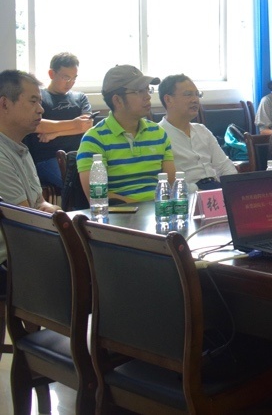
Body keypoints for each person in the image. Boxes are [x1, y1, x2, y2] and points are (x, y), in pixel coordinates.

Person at [77, 65, 175, 203]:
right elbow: (98, 197)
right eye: (139, 91)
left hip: (160, 210)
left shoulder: (158, 133)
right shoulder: (94, 139)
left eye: (147, 90)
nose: (147, 96)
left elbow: (170, 186)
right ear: (117, 100)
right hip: (122, 214)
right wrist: (143, 209)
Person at [0, 70, 62, 269]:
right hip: (11, 263)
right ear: (4, 104)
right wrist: (53, 214)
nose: (41, 110)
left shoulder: (20, 148)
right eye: (33, 101)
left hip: (29, 249)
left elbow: (40, 203)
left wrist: (55, 210)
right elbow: (25, 221)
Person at [24, 52, 93, 190]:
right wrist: (74, 124)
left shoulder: (80, 97)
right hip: (47, 159)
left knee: (99, 182)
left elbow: (86, 125)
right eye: (66, 77)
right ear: (52, 74)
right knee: (78, 186)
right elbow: (35, 125)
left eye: (74, 78)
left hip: (79, 156)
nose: (70, 83)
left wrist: (55, 133)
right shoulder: (39, 96)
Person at [158, 74, 237, 192]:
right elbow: (168, 182)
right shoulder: (158, 135)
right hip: (188, 195)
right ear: (168, 100)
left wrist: (232, 187)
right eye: (188, 94)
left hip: (216, 188)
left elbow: (224, 166)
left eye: (197, 94)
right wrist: (198, 192)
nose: (195, 100)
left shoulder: (202, 130)